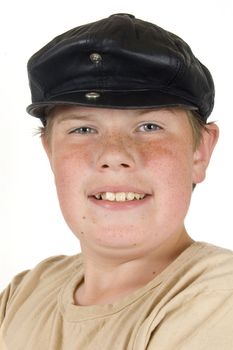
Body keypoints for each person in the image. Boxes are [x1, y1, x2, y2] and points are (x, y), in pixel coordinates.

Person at [0, 13, 232, 350]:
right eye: (83, 129)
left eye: (150, 127)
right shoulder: (25, 295)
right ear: (50, 153)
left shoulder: (217, 299)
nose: (113, 154)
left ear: (200, 152)